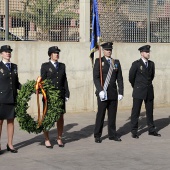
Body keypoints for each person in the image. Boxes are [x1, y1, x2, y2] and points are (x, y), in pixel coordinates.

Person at [93, 42, 124, 143]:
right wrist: (100, 90)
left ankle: (112, 134)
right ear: (103, 51)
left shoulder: (116, 62)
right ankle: (97, 135)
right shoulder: (98, 61)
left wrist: (121, 92)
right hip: (103, 93)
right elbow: (96, 78)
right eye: (107, 50)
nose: (109, 51)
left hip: (113, 93)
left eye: (110, 50)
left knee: (112, 115)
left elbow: (119, 78)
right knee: (101, 115)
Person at [129, 45, 161, 139]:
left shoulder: (151, 64)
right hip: (139, 90)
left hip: (149, 90)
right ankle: (134, 131)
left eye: (149, 52)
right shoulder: (136, 64)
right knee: (136, 112)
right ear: (142, 53)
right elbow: (131, 77)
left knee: (150, 111)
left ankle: (151, 129)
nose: (148, 53)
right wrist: (136, 86)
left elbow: (152, 76)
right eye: (147, 52)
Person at [40, 46, 70, 148]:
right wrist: (43, 93)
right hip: (49, 96)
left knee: (60, 117)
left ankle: (59, 138)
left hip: (60, 95)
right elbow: (42, 81)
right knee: (47, 118)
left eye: (58, 53)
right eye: (54, 53)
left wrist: (66, 93)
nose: (57, 54)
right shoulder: (45, 66)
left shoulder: (62, 66)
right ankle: (47, 139)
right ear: (50, 55)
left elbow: (64, 80)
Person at [0, 45, 21, 153]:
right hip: (1, 98)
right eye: (5, 51)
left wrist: (26, 89)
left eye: (9, 51)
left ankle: (10, 144)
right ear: (1, 54)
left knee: (11, 122)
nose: (8, 53)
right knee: (0, 122)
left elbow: (16, 83)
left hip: (12, 97)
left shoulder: (14, 66)